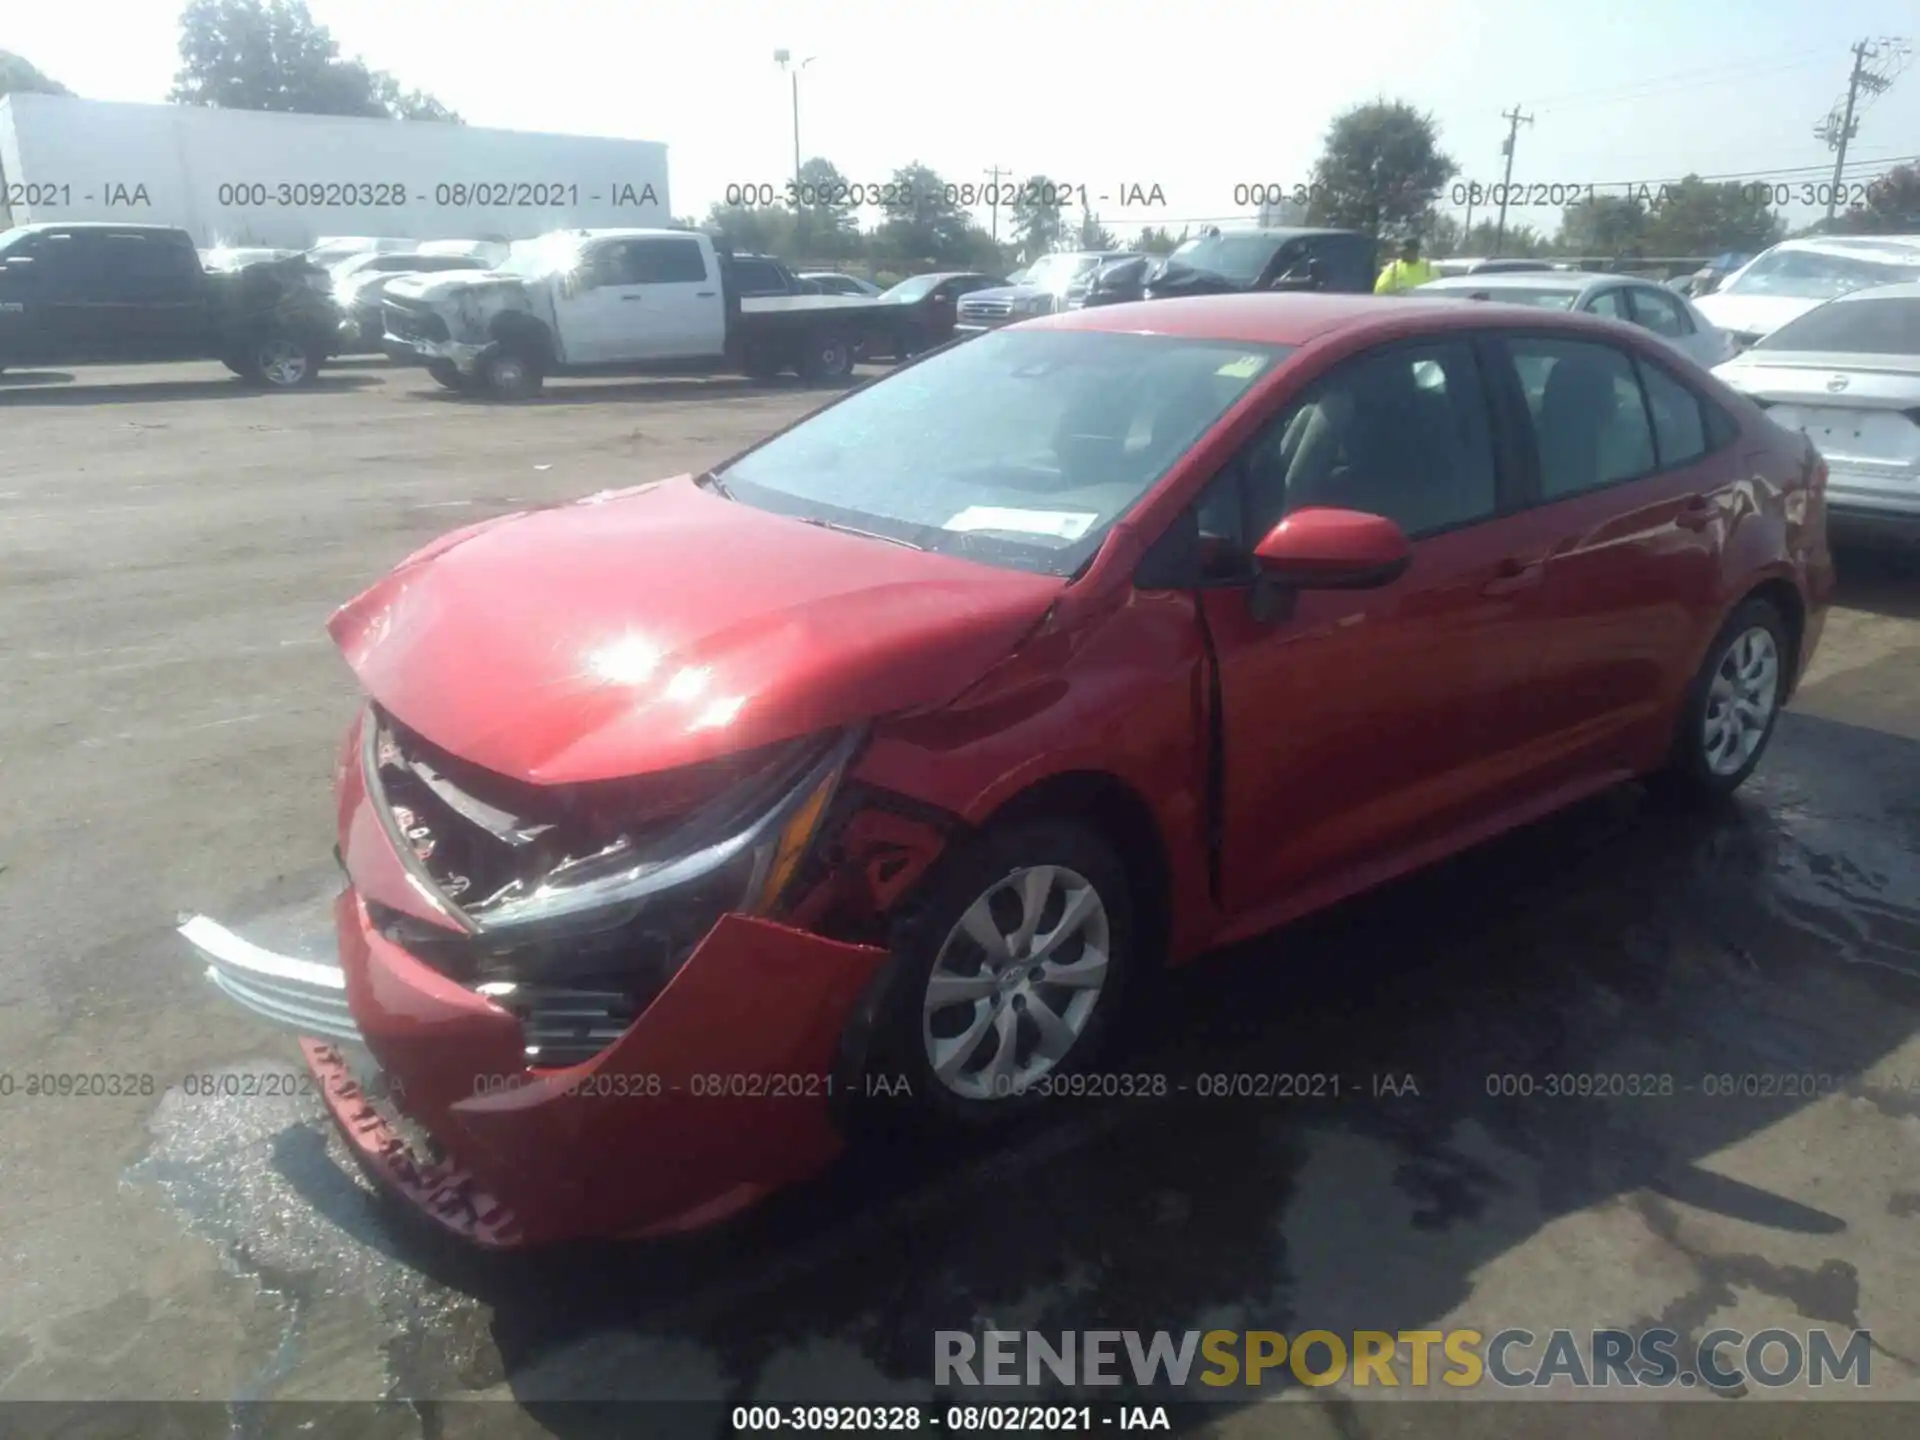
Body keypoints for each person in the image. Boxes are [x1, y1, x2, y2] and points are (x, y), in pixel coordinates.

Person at [1374, 238, 1439, 294]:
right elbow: (1380, 290)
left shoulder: (1428, 268)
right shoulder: (1394, 268)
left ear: (1414, 251)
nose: (1401, 254)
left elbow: (1439, 290)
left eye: (1405, 251)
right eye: (1400, 251)